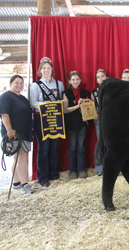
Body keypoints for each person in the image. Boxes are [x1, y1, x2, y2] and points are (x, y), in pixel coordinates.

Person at [30, 57, 65, 187]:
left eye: (48, 68)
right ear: (40, 71)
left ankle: (53, 173)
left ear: (52, 70)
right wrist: (43, 104)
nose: (46, 70)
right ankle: (43, 177)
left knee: (54, 147)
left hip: (55, 118)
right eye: (44, 68)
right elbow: (32, 103)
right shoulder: (35, 85)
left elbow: (62, 100)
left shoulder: (59, 84)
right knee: (43, 148)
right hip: (42, 118)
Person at [0, 75, 33, 195]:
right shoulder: (6, 97)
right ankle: (25, 185)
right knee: (22, 157)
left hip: (24, 131)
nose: (19, 85)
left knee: (18, 157)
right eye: (16, 83)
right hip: (15, 131)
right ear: (10, 84)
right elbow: (4, 114)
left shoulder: (22, 98)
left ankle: (16, 183)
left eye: (21, 83)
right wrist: (9, 129)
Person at [63, 71, 90, 179]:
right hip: (71, 123)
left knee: (81, 147)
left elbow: (88, 108)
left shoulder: (85, 92)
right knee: (73, 146)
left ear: (80, 80)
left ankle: (81, 169)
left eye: (77, 79)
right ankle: (72, 170)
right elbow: (65, 110)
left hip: (82, 122)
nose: (75, 81)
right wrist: (77, 106)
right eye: (73, 79)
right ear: (69, 81)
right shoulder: (66, 93)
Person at [91, 69, 108, 176]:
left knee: (110, 143)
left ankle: (110, 166)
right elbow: (93, 106)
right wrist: (94, 114)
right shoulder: (94, 93)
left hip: (110, 119)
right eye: (98, 77)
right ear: (96, 80)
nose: (101, 78)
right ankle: (99, 168)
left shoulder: (111, 90)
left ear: (106, 77)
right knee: (100, 142)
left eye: (102, 76)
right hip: (99, 118)